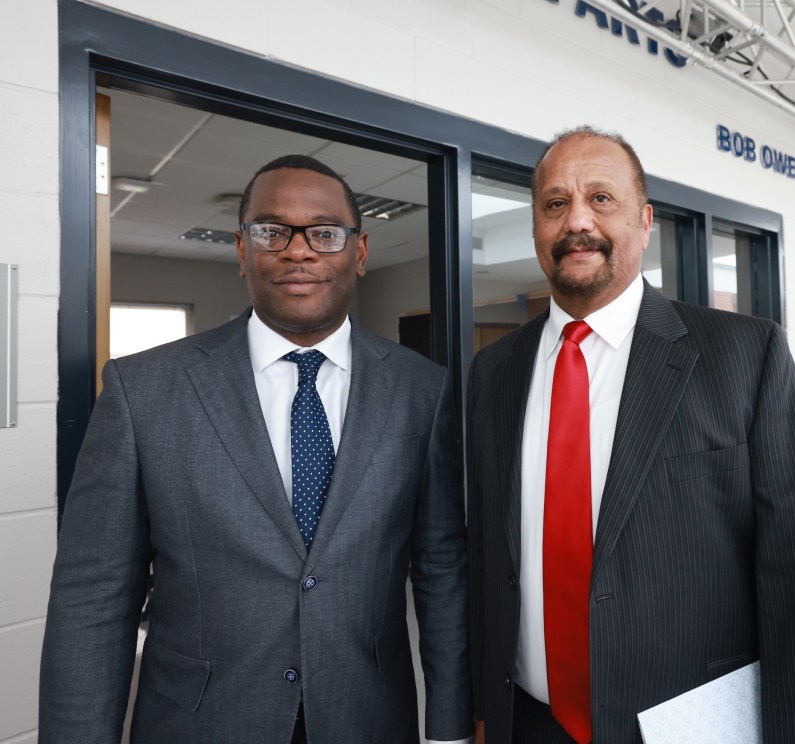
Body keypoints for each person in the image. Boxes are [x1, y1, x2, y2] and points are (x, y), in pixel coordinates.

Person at [40, 155, 473, 744]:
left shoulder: (423, 389)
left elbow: (442, 569)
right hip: (200, 722)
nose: (299, 252)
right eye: (272, 231)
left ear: (360, 252)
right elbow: (94, 596)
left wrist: (447, 727)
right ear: (242, 251)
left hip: (366, 716)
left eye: (325, 233)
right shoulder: (142, 390)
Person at [466, 127, 795, 744]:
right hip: (531, 722)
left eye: (602, 198)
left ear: (645, 222)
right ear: (536, 226)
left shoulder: (744, 355)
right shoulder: (493, 371)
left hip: (684, 724)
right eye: (554, 203)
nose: (577, 221)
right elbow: (488, 554)